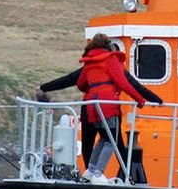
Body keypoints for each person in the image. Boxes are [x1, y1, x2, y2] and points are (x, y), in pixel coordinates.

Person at [38, 35, 163, 181]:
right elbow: (129, 85)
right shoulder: (112, 61)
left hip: (90, 106)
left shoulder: (90, 64)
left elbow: (74, 81)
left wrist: (43, 87)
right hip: (108, 106)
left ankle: (90, 172)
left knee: (94, 142)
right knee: (113, 140)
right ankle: (106, 174)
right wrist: (151, 100)